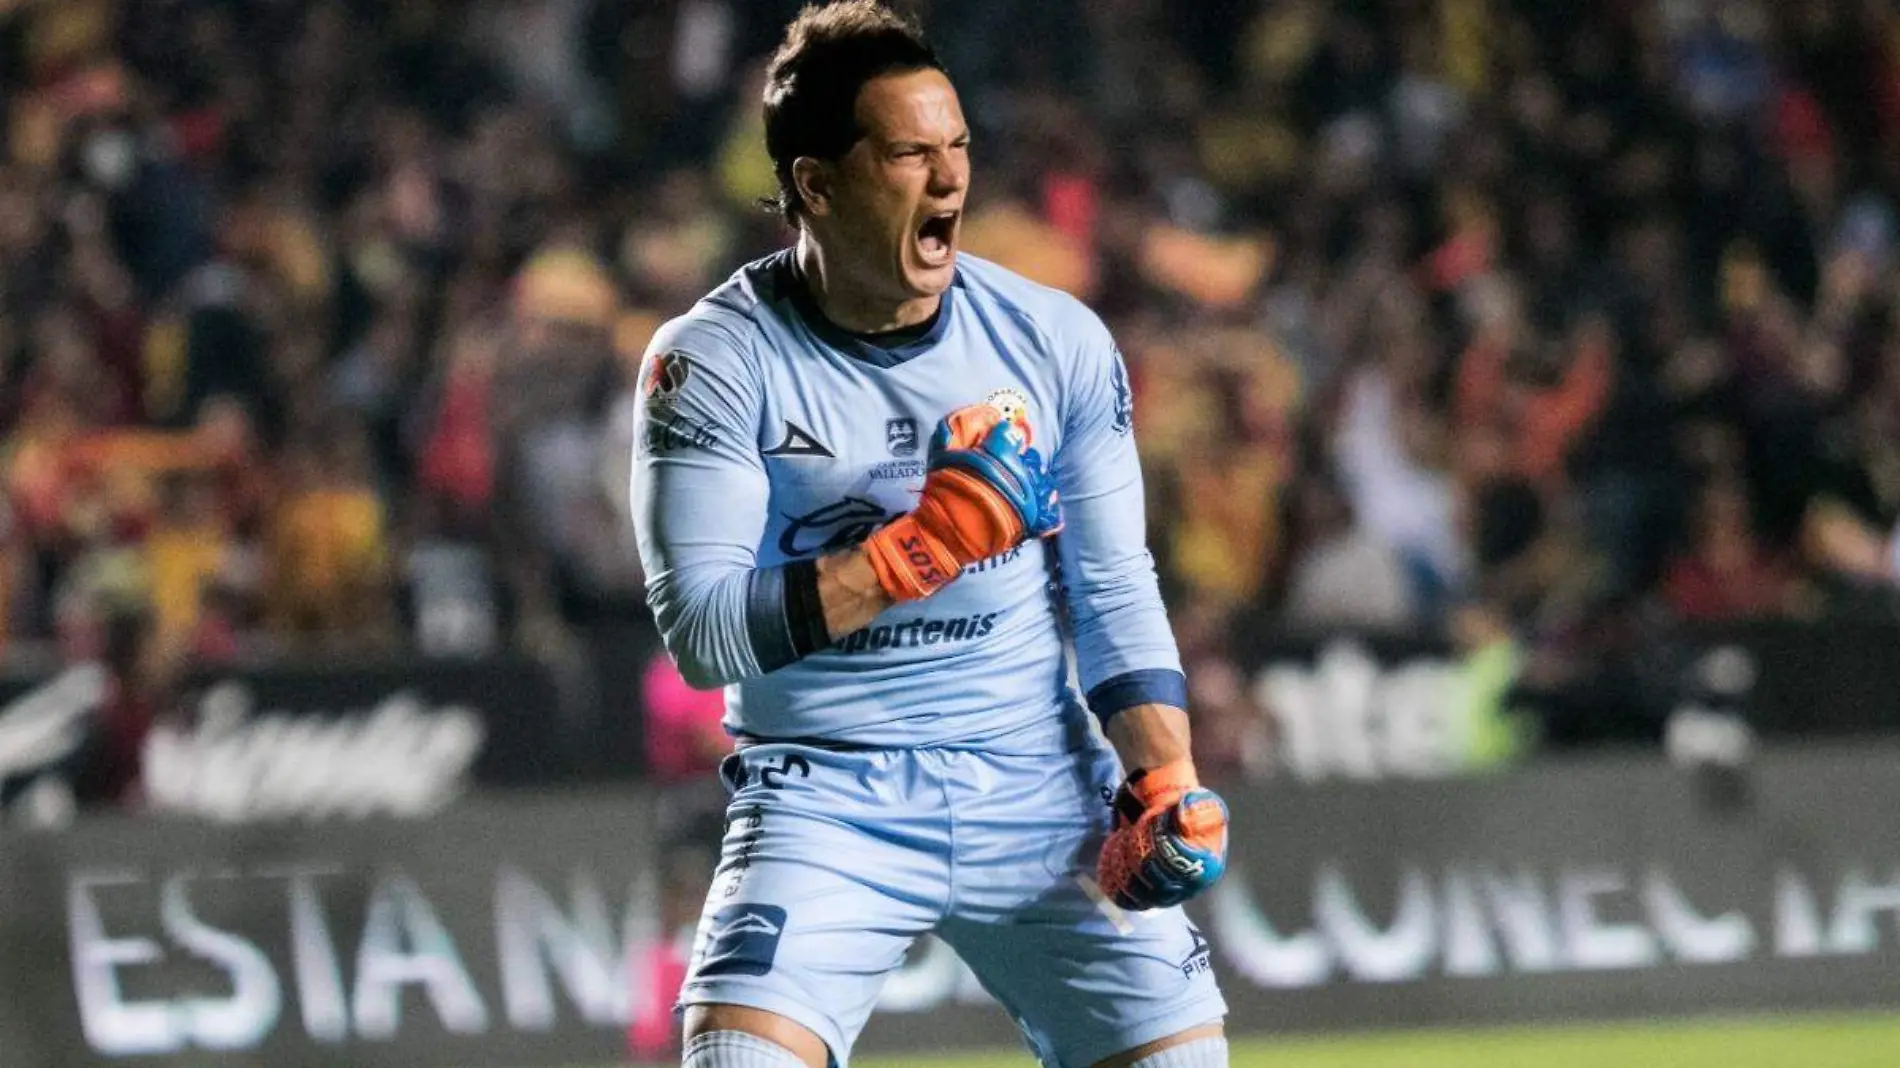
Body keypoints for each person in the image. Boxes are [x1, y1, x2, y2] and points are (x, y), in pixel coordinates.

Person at [629, 4, 1232, 1067]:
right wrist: (923, 548)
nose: (950, 177)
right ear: (817, 184)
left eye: (957, 146)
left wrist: (1166, 776)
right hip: (826, 794)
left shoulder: (1055, 340)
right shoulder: (713, 361)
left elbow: (1112, 587)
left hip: (1041, 787)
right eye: (910, 153)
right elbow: (704, 634)